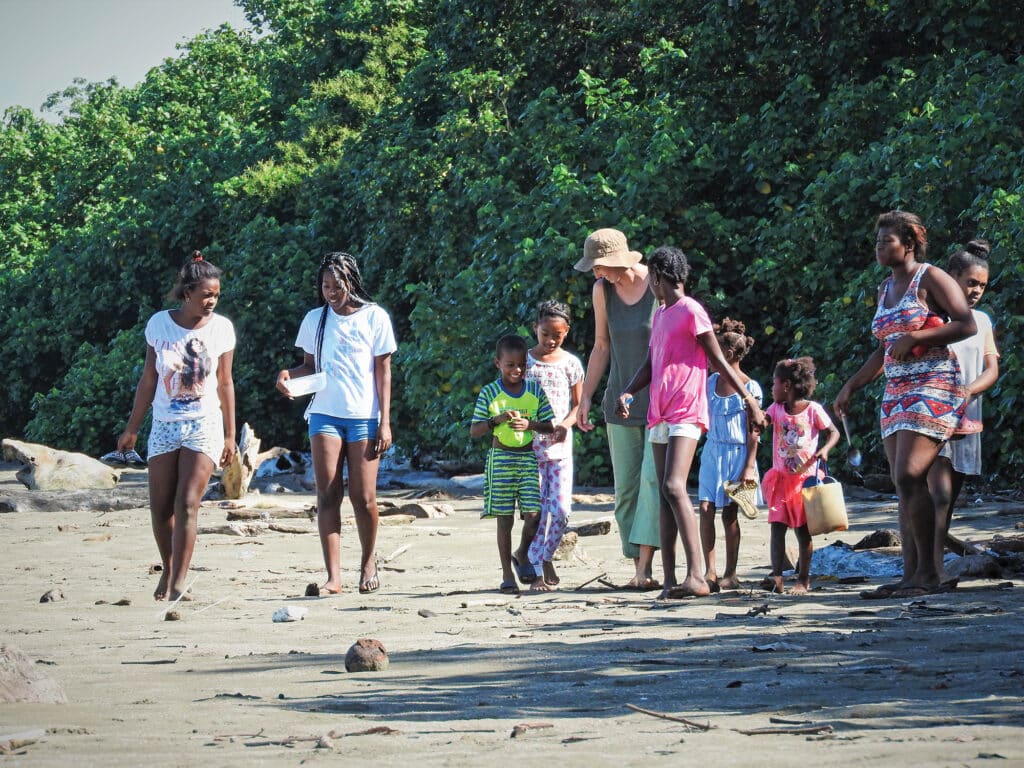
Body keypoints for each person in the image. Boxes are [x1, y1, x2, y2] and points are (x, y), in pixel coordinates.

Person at [835, 210, 976, 599]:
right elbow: (885, 350)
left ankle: (930, 573)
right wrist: (852, 386)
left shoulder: (929, 277)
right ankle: (910, 575)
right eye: (878, 241)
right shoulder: (884, 289)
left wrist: (918, 335)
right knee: (903, 483)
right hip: (896, 390)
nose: (879, 247)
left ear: (909, 244)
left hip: (933, 385)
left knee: (910, 476)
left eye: (887, 241)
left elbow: (966, 324)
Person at [617, 246, 766, 598]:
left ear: (655, 276)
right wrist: (627, 392)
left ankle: (697, 574)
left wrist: (750, 402)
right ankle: (671, 581)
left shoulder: (691, 311)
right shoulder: (661, 315)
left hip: (686, 410)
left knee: (673, 486)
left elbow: (717, 358)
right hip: (659, 411)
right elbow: (651, 363)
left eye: (650, 279)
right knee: (663, 496)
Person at [117, 251, 236, 602]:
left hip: (205, 423)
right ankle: (168, 567)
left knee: (188, 503)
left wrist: (230, 434)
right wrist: (132, 428)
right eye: (205, 295)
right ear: (187, 294)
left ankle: (179, 582)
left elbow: (226, 382)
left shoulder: (222, 328)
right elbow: (149, 378)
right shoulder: (159, 325)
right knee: (160, 508)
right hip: (165, 425)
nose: (211, 301)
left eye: (216, 295)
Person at [276, 252, 396, 596]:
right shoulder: (315, 319)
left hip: (364, 418)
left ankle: (368, 561)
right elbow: (308, 367)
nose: (331, 292)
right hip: (323, 414)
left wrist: (385, 422)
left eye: (337, 286)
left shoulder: (374, 317)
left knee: (364, 498)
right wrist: (286, 376)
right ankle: (333, 577)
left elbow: (383, 372)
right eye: (326, 286)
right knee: (327, 493)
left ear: (352, 282)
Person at [574, 228, 661, 590]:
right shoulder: (601, 291)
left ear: (618, 260)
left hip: (658, 403)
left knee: (653, 484)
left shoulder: (657, 285)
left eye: (599, 266)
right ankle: (634, 559)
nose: (595, 273)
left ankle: (646, 567)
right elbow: (600, 346)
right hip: (618, 403)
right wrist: (586, 397)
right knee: (626, 488)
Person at [927, 240, 999, 578]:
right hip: (929, 414)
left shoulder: (981, 321)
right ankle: (933, 566)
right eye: (971, 282)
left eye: (982, 285)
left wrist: (969, 390)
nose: (976, 291)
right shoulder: (931, 316)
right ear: (951, 276)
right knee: (937, 495)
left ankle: (931, 559)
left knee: (949, 498)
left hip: (966, 417)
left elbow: (992, 369)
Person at [471, 334, 556, 594]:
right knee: (504, 518)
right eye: (510, 365)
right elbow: (474, 431)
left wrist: (530, 424)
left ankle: (521, 552)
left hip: (527, 457)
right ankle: (507, 574)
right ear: (498, 363)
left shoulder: (534, 392)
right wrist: (495, 420)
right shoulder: (490, 393)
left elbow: (550, 425)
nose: (517, 370)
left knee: (534, 514)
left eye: (521, 365)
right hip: (500, 459)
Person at [761, 357, 840, 594]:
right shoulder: (774, 410)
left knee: (802, 532)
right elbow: (761, 423)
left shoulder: (813, 410)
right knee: (776, 528)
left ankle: (803, 580)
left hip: (803, 483)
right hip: (780, 480)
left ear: (786, 385)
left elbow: (833, 432)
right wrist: (753, 415)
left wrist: (825, 450)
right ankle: (776, 576)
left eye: (773, 384)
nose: (771, 389)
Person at [522, 300, 584, 591]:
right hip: (528, 447)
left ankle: (545, 555)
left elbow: (579, 406)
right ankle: (535, 566)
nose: (550, 340)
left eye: (556, 335)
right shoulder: (524, 362)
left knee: (560, 509)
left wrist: (565, 425)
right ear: (535, 328)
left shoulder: (571, 364)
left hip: (559, 448)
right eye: (545, 333)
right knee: (535, 510)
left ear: (566, 332)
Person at [697, 318, 762, 591]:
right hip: (713, 450)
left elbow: (754, 431)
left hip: (738, 454)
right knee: (705, 508)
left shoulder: (751, 388)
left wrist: (748, 466)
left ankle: (730, 572)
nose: (711, 357)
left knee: (730, 514)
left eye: (716, 352)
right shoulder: (710, 382)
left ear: (730, 355)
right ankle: (709, 571)